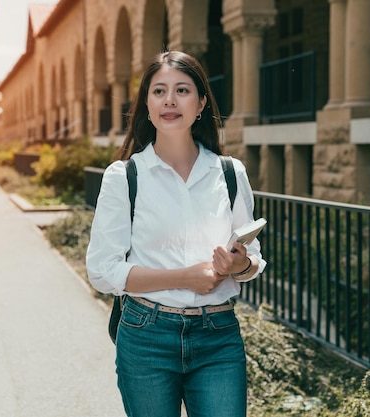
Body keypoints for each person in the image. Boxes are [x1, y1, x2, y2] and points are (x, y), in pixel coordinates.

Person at [86, 50, 266, 417]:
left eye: (182, 90)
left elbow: (254, 260)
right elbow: (103, 271)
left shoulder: (230, 173)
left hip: (218, 334)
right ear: (147, 105)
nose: (170, 100)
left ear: (201, 103)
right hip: (146, 335)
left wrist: (239, 264)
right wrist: (186, 277)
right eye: (159, 91)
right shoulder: (125, 177)